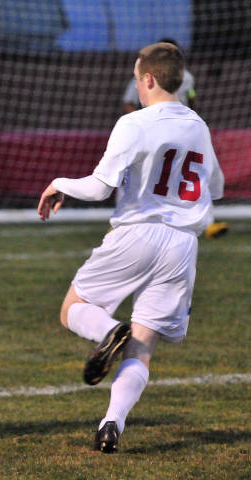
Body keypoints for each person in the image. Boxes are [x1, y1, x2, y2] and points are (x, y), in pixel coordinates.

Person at [38, 42, 224, 453]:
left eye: (138, 78)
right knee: (143, 345)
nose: (136, 86)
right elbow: (216, 186)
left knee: (73, 308)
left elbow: (99, 187)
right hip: (182, 246)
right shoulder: (198, 125)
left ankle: (108, 331)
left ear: (149, 79)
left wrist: (59, 184)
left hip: (138, 233)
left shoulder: (134, 123)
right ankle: (111, 424)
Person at [121, 38, 227, 239]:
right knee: (135, 173)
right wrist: (140, 123)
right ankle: (125, 221)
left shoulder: (187, 78)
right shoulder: (142, 78)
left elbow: (192, 97)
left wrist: (193, 119)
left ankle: (207, 222)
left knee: (194, 172)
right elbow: (128, 102)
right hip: (153, 132)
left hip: (181, 131)